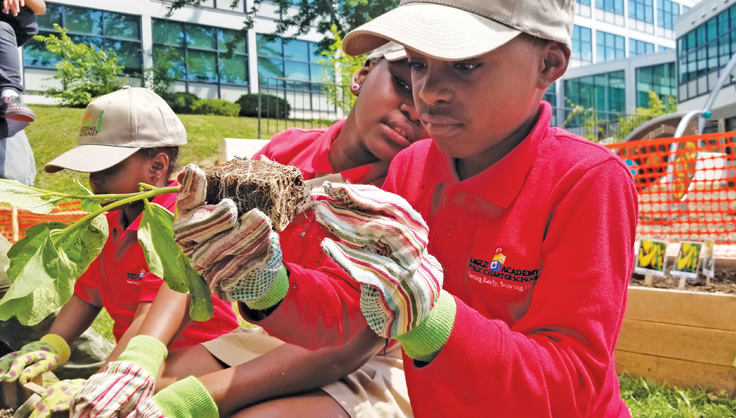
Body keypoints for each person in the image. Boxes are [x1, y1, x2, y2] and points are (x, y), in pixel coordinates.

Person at [146, 0, 637, 417]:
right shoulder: (412, 167)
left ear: (548, 66)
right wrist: (268, 281)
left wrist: (428, 317)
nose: (427, 91)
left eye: (464, 65)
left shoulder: (588, 181)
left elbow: (571, 387)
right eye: (420, 63)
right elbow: (350, 312)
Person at [69, 43, 427, 418]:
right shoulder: (286, 152)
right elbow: (198, 255)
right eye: (402, 83)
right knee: (134, 393)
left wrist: (191, 401)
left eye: (426, 101)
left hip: (371, 360)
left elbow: (350, 343)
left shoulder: (408, 188)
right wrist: (142, 357)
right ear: (363, 75)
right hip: (270, 340)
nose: (413, 108)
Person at [0, 86, 239, 417]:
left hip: (205, 354)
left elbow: (148, 315)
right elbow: (87, 296)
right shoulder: (110, 221)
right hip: (142, 356)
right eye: (91, 167)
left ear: (157, 167)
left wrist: (101, 381)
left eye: (107, 168)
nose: (94, 179)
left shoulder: (178, 222)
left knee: (113, 401)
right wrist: (51, 345)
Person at [0, 0, 45, 122]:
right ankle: (9, 94)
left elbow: (41, 8)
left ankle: (10, 96)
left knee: (3, 29)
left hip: (13, 30)